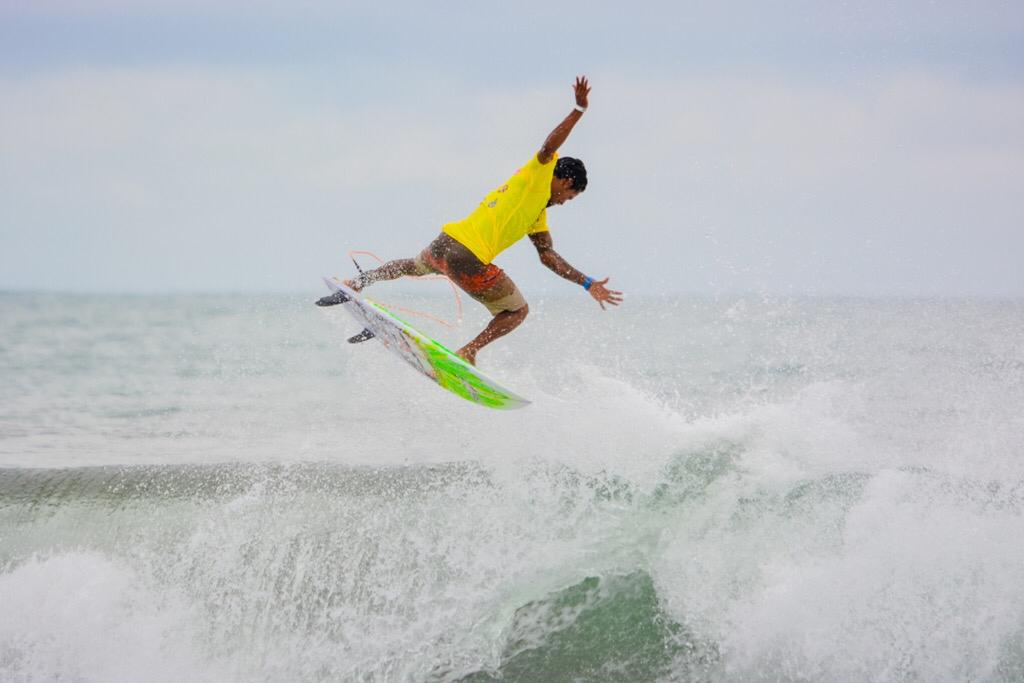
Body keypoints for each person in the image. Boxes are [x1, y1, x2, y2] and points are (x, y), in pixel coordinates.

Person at [344, 75, 622, 365]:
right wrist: (578, 111)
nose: (565, 202)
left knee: (413, 265)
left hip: (444, 244)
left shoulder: (537, 211)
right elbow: (548, 147)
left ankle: (358, 281)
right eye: (569, 195)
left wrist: (588, 283)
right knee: (518, 311)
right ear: (563, 180)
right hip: (469, 259)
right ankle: (469, 351)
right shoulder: (539, 174)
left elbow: (547, 255)